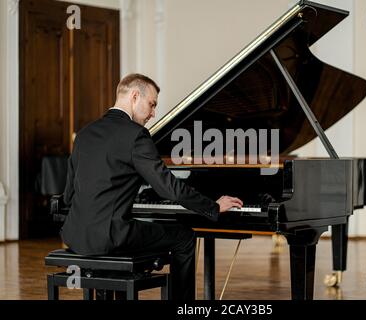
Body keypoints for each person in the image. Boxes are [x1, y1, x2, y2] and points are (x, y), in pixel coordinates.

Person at [61, 73, 243, 300]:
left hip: (74, 235)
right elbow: (168, 187)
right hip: (111, 237)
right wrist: (213, 206)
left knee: (142, 228)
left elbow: (68, 195)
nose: (153, 113)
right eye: (152, 104)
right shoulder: (135, 135)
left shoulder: (85, 134)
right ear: (135, 96)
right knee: (184, 236)